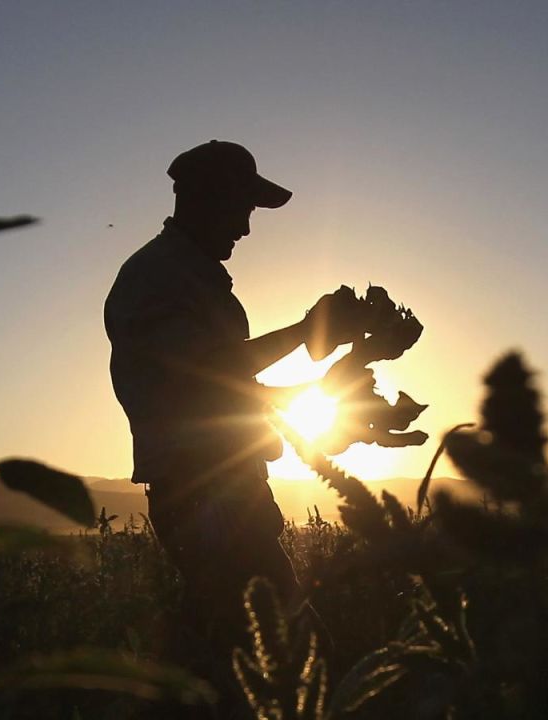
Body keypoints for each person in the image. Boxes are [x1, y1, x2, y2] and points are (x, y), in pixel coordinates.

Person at [103, 140, 362, 714]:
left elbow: (223, 395)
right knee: (281, 658)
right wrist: (305, 330)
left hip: (229, 492)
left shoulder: (193, 278)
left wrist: (333, 389)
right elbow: (205, 372)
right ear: (205, 199)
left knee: (239, 663)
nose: (246, 229)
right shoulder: (155, 276)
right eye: (242, 209)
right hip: (204, 499)